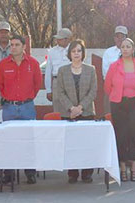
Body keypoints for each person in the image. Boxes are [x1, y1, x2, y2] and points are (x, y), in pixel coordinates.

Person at [0, 34, 42, 185]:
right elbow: (0, 85)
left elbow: (37, 85)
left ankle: (30, 173)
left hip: (27, 107)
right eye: (12, 45)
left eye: (17, 45)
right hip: (9, 107)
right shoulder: (3, 64)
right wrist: (9, 99)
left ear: (24, 47)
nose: (13, 47)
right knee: (8, 141)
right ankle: (8, 174)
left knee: (29, 140)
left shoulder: (33, 64)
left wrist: (26, 99)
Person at [104, 38, 135, 182]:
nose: (125, 49)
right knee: (121, 136)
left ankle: (134, 169)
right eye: (123, 47)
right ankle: (122, 169)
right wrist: (118, 96)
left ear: (133, 49)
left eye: (128, 46)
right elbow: (107, 86)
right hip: (119, 104)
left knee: (134, 135)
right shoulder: (114, 66)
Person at [54, 39, 96, 184]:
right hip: (68, 113)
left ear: (83, 53)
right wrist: (72, 108)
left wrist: (80, 108)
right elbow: (60, 92)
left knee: (86, 144)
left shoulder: (91, 69)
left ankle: (87, 173)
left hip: (87, 113)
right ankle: (72, 173)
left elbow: (93, 92)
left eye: (79, 51)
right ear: (69, 54)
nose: (76, 53)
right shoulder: (62, 70)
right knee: (71, 145)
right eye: (73, 51)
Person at [45, 28, 72, 114]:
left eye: (60, 39)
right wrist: (48, 90)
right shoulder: (52, 51)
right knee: (57, 107)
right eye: (58, 38)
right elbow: (48, 71)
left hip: (71, 80)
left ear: (68, 39)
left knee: (72, 106)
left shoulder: (74, 50)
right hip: (57, 81)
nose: (58, 40)